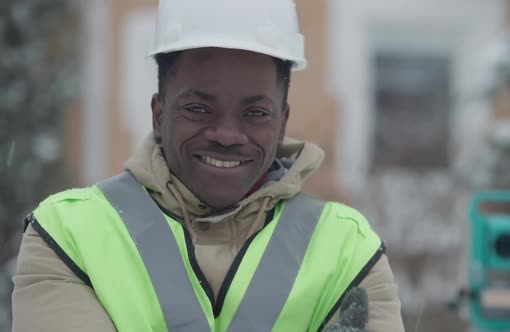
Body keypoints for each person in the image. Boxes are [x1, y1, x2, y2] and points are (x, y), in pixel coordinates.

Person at [11, 0, 405, 331]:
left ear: (282, 122)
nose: (227, 134)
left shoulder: (347, 252)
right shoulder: (69, 238)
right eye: (198, 108)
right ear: (158, 114)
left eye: (255, 112)